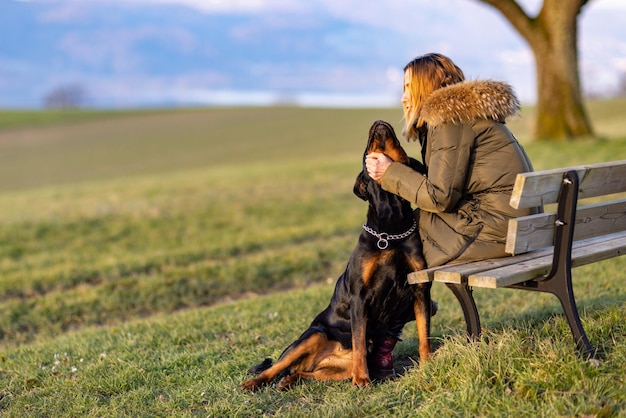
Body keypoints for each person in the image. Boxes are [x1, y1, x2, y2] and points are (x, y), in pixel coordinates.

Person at [366, 52, 538, 374]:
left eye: (408, 87)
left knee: (403, 248)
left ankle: (382, 343)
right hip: (517, 226)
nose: (403, 97)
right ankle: (390, 331)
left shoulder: (448, 121)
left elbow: (440, 196)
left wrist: (389, 173)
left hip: (494, 230)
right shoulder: (466, 116)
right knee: (406, 238)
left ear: (425, 88)